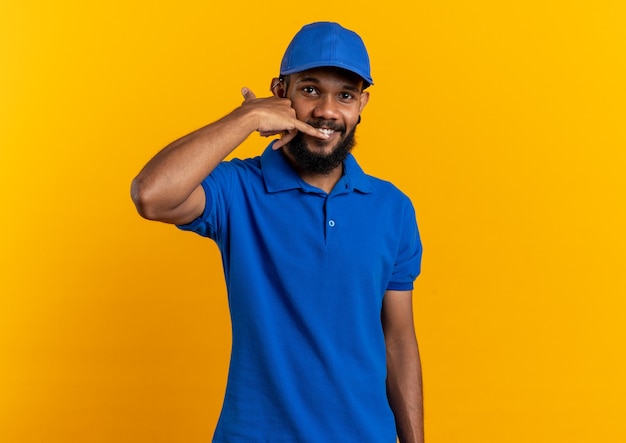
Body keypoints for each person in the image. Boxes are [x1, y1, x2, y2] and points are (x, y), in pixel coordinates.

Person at [131, 21, 424, 443]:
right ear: (280, 91)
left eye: (344, 95)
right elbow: (151, 195)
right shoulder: (237, 188)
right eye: (309, 89)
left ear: (361, 104)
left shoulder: (392, 208)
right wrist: (246, 116)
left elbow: (398, 340)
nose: (326, 110)